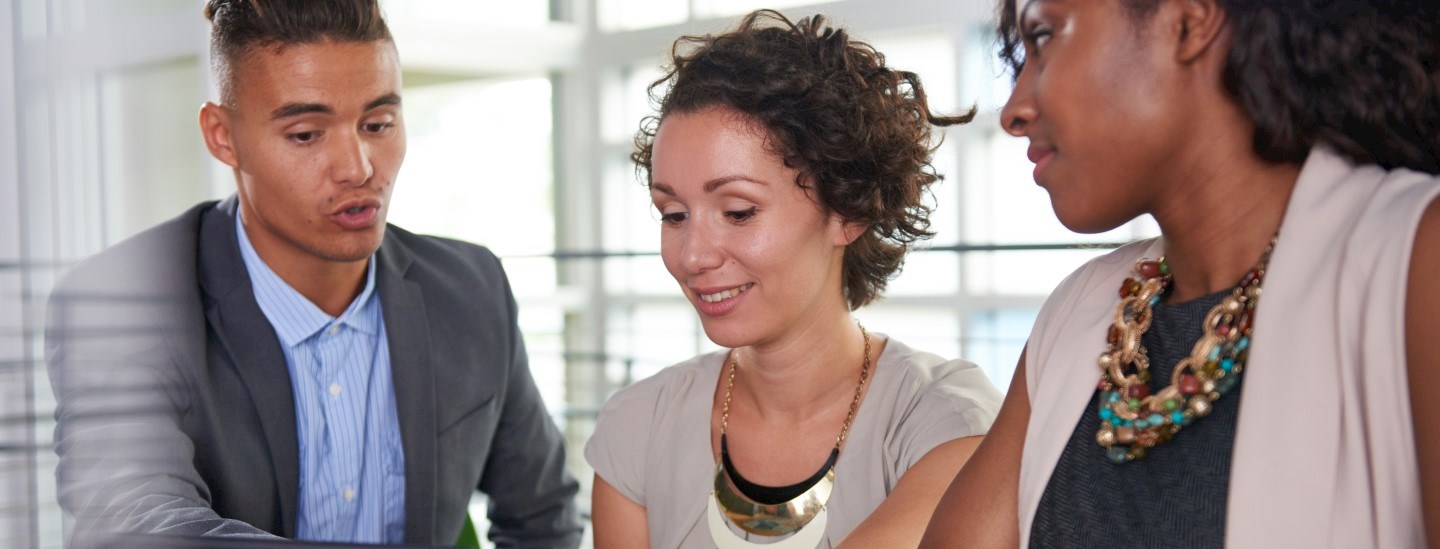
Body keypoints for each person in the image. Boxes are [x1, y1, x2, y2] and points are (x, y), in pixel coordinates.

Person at [44, 1, 582, 547]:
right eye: (306, 134)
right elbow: (136, 526)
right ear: (223, 136)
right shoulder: (120, 303)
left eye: (378, 124)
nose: (358, 168)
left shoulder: (470, 289)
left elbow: (543, 518)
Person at [919, 0, 1440, 546]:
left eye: (1045, 37)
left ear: (1190, 21)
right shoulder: (1079, 310)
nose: (1013, 111)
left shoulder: (1410, 261)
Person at [584, 10, 1004, 548]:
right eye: (674, 214)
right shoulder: (638, 426)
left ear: (848, 209)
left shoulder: (945, 421)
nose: (693, 256)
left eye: (738, 212)